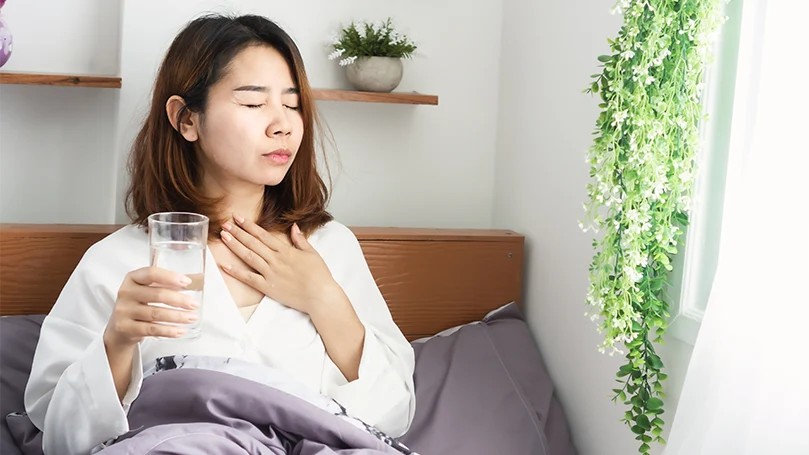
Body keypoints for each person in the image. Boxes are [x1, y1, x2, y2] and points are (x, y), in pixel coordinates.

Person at [23, 13, 416, 455]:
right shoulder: (116, 262)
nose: (282, 124)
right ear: (186, 118)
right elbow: (60, 439)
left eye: (292, 104)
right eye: (253, 104)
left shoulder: (329, 247)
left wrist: (323, 298)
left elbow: (392, 414)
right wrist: (117, 342)